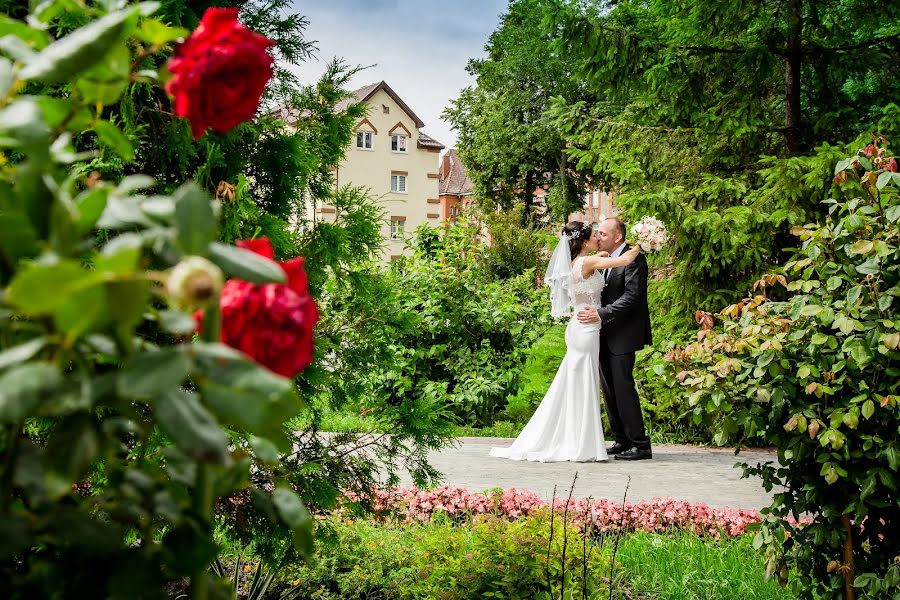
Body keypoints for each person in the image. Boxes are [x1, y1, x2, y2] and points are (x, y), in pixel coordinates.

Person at [489, 221, 641, 462]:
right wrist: (644, 242)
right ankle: (581, 443)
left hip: (579, 327)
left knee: (577, 382)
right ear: (584, 242)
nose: (598, 239)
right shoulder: (588, 262)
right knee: (584, 384)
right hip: (587, 329)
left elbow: (601, 258)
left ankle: (579, 439)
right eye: (595, 236)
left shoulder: (577, 262)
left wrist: (605, 251)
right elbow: (623, 260)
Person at [577, 217, 653, 460]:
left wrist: (600, 314)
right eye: (597, 234)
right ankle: (621, 440)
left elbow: (632, 297)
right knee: (609, 391)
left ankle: (640, 444)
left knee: (623, 388)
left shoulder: (635, 259)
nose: (598, 237)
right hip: (602, 334)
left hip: (624, 334)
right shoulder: (605, 260)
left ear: (617, 237)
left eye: (603, 234)